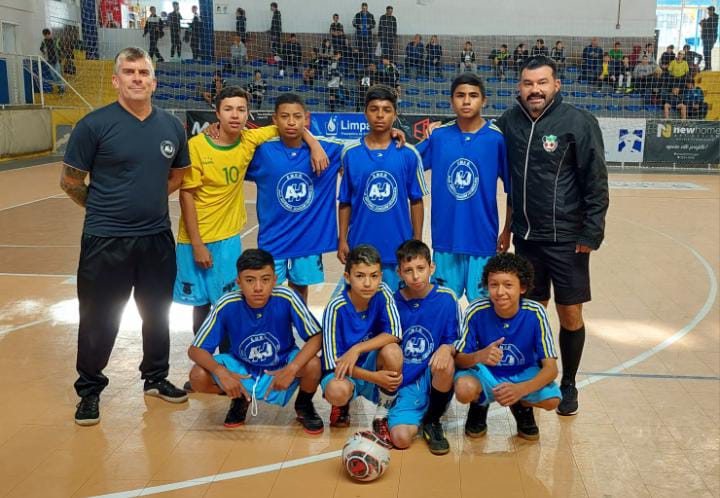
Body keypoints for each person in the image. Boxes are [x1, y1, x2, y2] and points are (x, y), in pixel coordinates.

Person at [60, 47, 191, 426]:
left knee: (156, 315)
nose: (136, 78)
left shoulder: (170, 126)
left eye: (143, 72)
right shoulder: (94, 125)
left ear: (153, 80)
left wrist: (147, 199)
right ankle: (89, 390)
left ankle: (155, 378)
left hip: (155, 239)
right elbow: (70, 182)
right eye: (129, 72)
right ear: (116, 80)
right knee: (100, 317)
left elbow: (178, 176)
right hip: (106, 240)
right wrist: (104, 207)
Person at [494, 55, 609, 417]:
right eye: (528, 84)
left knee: (569, 313)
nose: (535, 90)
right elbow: (475, 136)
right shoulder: (509, 122)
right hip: (527, 238)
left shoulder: (578, 122)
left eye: (542, 83)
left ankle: (569, 383)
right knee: (531, 313)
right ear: (519, 87)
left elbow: (596, 182)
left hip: (568, 239)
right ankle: (531, 380)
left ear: (556, 85)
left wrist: (592, 231)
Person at [177, 87, 327, 336]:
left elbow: (289, 125)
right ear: (217, 114)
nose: (235, 115)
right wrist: (197, 244)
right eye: (228, 109)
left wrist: (314, 144)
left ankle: (230, 362)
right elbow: (186, 195)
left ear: (248, 114)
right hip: (195, 239)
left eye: (241, 109)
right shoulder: (197, 146)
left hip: (228, 238)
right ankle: (204, 364)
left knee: (228, 303)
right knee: (200, 305)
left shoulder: (249, 140)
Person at [187, 249, 325, 433]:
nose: (258, 287)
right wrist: (221, 372)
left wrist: (292, 368)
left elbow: (317, 337)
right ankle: (239, 399)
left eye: (265, 279)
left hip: (281, 363)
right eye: (250, 280)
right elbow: (196, 350)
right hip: (241, 367)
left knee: (313, 365)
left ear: (274, 280)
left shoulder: (287, 297)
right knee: (197, 376)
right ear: (239, 282)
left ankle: (304, 405)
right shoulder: (226, 303)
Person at [246, 93, 345, 302]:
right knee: (268, 293)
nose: (291, 122)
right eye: (284, 116)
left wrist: (393, 133)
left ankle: (301, 332)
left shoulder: (328, 149)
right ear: (274, 120)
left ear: (306, 119)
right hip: (273, 238)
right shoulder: (262, 152)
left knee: (300, 291)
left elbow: (365, 147)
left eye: (297, 117)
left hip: (307, 240)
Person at [418, 73, 509, 301]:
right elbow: (406, 160)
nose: (466, 101)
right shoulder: (438, 136)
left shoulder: (497, 139)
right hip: (446, 239)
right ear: (451, 101)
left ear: (484, 100)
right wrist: (392, 135)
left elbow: (512, 190)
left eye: (473, 95)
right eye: (460, 95)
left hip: (482, 240)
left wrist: (507, 229)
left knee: (483, 309)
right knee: (443, 307)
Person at [454, 253, 561, 440]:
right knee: (463, 390)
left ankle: (522, 406)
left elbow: (551, 369)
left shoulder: (535, 313)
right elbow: (460, 360)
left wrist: (521, 389)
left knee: (552, 400)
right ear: (487, 287)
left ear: (523, 287)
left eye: (508, 285)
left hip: (522, 374)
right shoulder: (476, 310)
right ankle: (480, 404)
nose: (500, 291)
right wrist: (480, 356)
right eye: (494, 285)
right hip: (486, 375)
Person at [337, 85, 428, 291]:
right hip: (360, 247)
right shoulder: (350, 153)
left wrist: (416, 241)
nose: (380, 115)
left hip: (399, 249)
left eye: (386, 110)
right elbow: (345, 201)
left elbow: (416, 200)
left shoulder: (408, 153)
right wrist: (342, 239)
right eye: (374, 109)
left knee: (397, 312)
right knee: (361, 309)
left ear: (395, 115)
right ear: (365, 113)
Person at [321, 244, 403, 442]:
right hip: (343, 370)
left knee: (393, 351)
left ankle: (382, 415)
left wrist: (357, 349)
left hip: (369, 362)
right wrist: (376, 378)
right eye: (360, 276)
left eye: (374, 276)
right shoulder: (335, 307)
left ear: (381, 276)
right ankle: (342, 405)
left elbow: (395, 333)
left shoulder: (383, 292)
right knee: (336, 391)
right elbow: (334, 362)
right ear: (347, 277)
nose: (368, 283)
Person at [388, 240, 460, 455]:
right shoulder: (392, 302)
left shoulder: (447, 299)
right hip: (407, 379)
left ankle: (432, 420)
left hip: (433, 373)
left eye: (421, 269)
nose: (416, 276)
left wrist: (447, 348)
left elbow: (459, 339)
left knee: (445, 363)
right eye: (408, 271)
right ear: (399, 272)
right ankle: (405, 406)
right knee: (401, 439)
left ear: (432, 267)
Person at [40, 28, 65, 94]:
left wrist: (61, 55)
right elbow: (41, 48)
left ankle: (62, 88)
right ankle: (59, 87)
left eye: (48, 35)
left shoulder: (56, 40)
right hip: (49, 61)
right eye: (45, 36)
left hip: (57, 60)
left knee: (58, 74)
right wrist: (44, 52)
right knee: (53, 76)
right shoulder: (44, 41)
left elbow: (61, 48)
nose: (47, 37)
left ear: (50, 34)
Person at [700, 6, 718, 71]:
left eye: (709, 11)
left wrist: (703, 23)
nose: (708, 12)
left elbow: (710, 27)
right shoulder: (710, 18)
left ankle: (708, 67)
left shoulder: (714, 18)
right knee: (706, 52)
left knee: (707, 52)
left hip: (710, 38)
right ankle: (707, 66)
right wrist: (703, 23)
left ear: (712, 11)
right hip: (707, 37)